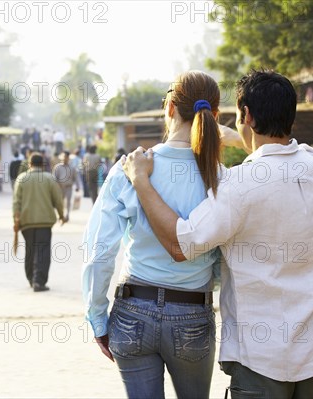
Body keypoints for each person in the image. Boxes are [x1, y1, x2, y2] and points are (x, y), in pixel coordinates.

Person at [123, 70, 313, 398]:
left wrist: (140, 181)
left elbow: (181, 244)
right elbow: (268, 152)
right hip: (312, 355)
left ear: (246, 115)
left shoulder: (240, 185)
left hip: (261, 361)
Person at [82, 70, 235, 398]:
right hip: (192, 314)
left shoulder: (129, 169)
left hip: (132, 312)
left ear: (169, 110)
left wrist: (97, 317)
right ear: (215, 117)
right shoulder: (221, 179)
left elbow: (100, 252)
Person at [14, 152, 65, 292]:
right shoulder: (49, 178)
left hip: (26, 223)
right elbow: (58, 200)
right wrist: (61, 215)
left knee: (30, 250)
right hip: (44, 222)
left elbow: (16, 203)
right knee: (42, 251)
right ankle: (39, 281)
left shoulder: (21, 179)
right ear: (42, 165)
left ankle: (31, 279)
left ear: (29, 164)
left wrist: (16, 221)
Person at [53, 151, 81, 222]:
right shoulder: (57, 167)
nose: (64, 158)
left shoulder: (72, 168)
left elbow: (76, 178)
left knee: (68, 202)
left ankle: (67, 214)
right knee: (60, 202)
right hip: (59, 187)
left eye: (66, 157)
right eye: (63, 156)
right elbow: (54, 178)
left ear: (68, 158)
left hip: (69, 187)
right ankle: (60, 215)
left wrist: (78, 186)